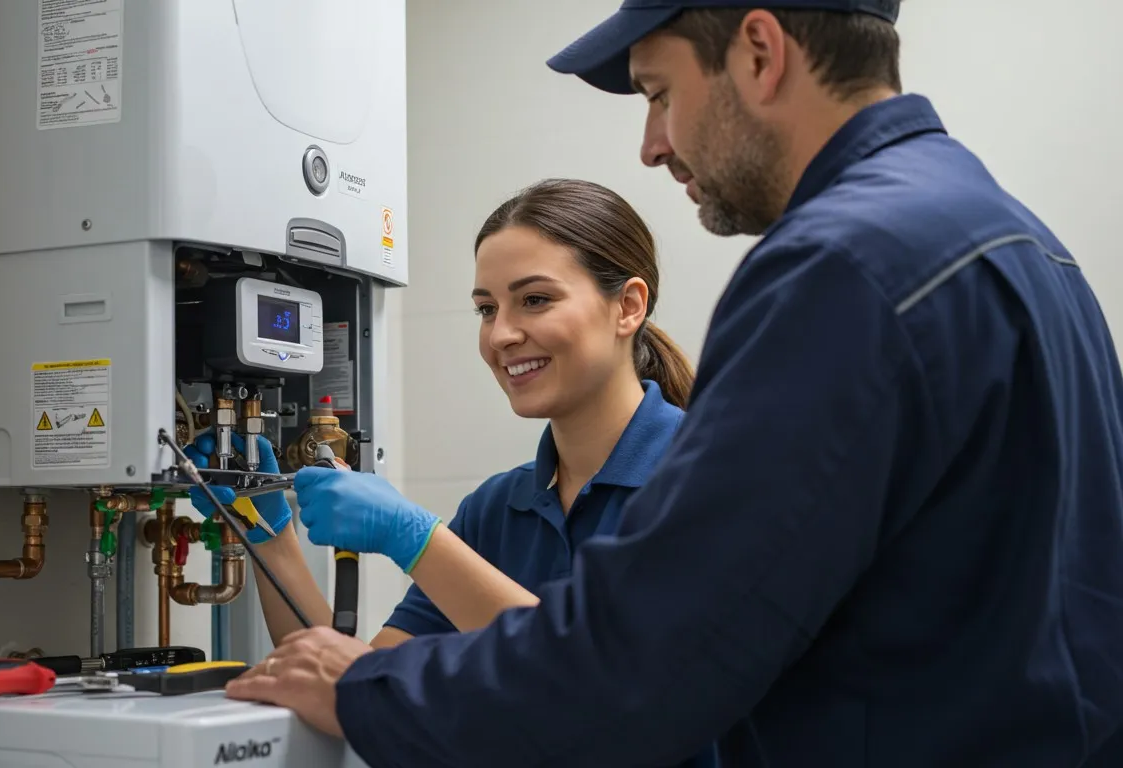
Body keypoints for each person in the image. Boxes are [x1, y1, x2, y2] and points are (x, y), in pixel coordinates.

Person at [222, 2, 1123, 767]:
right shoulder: (1021, 243)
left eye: (659, 93)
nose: (652, 145)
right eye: (483, 308)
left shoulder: (843, 265)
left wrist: (373, 687)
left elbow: (640, 669)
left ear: (760, 54)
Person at [192, 179, 708, 767]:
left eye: (535, 299)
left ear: (629, 306)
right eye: (487, 308)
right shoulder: (500, 509)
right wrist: (271, 540)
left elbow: (613, 692)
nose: (501, 334)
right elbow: (353, 682)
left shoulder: (704, 479)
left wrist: (417, 540)